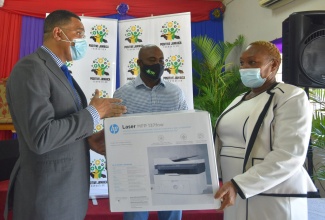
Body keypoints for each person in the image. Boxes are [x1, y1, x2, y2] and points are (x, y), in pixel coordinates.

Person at [4, 10, 127, 220]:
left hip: (68, 194)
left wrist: (88, 140)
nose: (83, 40)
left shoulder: (61, 71)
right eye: (79, 32)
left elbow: (61, 129)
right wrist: (94, 113)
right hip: (47, 197)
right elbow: (41, 137)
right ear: (59, 33)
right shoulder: (31, 68)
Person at [214, 41, 317, 220]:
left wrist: (239, 185)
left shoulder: (290, 96)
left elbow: (289, 155)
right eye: (242, 63)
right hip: (233, 193)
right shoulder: (239, 99)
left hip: (271, 197)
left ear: (274, 65)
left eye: (252, 62)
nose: (245, 68)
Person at [113, 44, 187, 220]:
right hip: (134, 166)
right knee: (135, 214)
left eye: (161, 60)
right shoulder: (122, 93)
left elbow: (186, 124)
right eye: (152, 60)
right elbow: (114, 131)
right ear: (139, 63)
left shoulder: (176, 93)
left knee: (171, 213)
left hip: (170, 162)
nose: (158, 64)